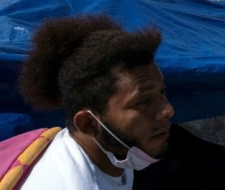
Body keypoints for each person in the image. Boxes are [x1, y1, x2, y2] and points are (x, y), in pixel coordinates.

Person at [18, 15, 174, 189]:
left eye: (162, 91)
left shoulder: (116, 155)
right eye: (144, 100)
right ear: (88, 124)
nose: (168, 110)